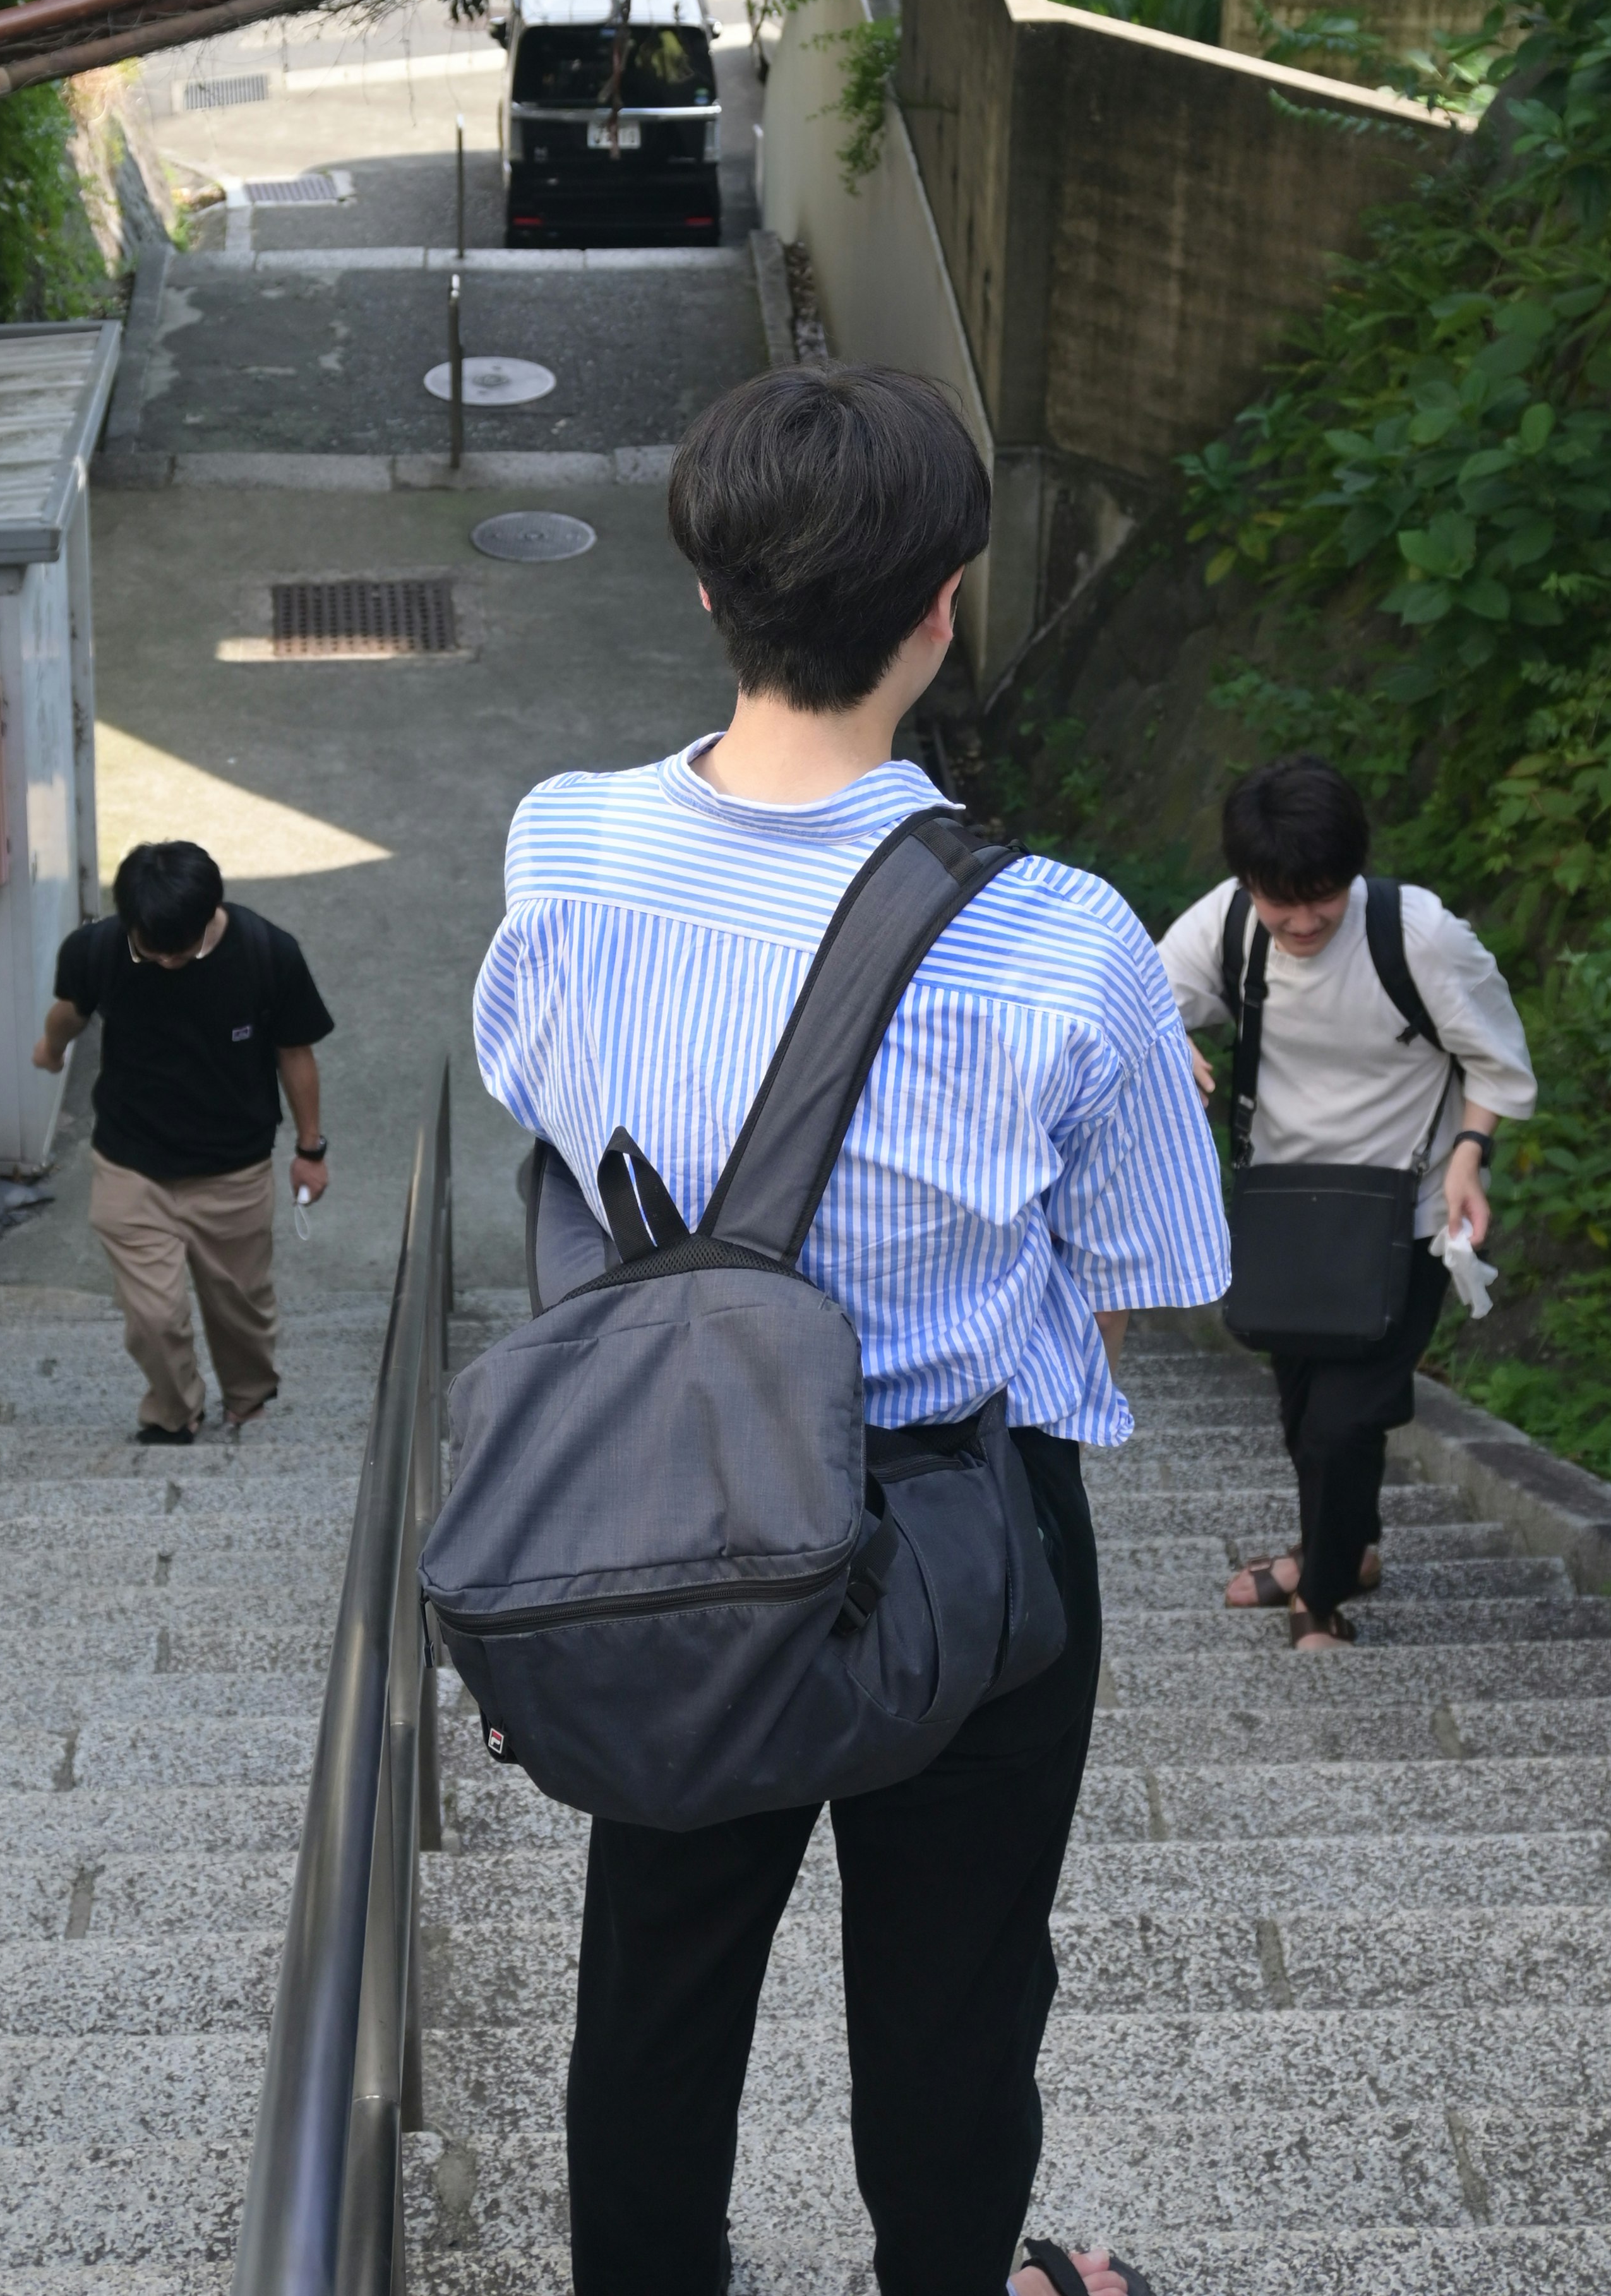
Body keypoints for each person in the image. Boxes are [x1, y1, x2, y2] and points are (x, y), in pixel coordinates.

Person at [474, 363, 1226, 2296]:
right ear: (941, 606)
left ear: (709, 597)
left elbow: (539, 1109)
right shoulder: (1063, 937)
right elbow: (1141, 1275)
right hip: (962, 1538)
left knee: (653, 1988)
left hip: (667, 1515)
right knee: (953, 2006)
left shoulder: (562, 848)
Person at [1158, 753, 1537, 1650]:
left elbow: (1495, 1055)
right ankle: (1345, 1548)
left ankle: (1318, 1598)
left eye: (1320, 897)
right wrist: (1172, 1047)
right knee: (1306, 1417)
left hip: (1403, 1219)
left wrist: (1470, 1156)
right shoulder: (1230, 924)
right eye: (1276, 899)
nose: (1298, 920)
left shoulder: (1420, 937)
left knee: (1341, 1418)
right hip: (1287, 1213)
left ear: (1354, 871)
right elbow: (1136, 1001)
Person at [33, 839, 335, 1444]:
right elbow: (72, 1008)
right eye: (153, 952)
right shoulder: (98, 949)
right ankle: (174, 1414)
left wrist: (310, 1151)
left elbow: (294, 1054)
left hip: (233, 1168)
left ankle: (248, 1402)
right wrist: (53, 1047)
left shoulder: (268, 953)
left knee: (241, 1308)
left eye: (183, 951)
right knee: (153, 1317)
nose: (169, 963)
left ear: (211, 913)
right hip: (131, 1162)